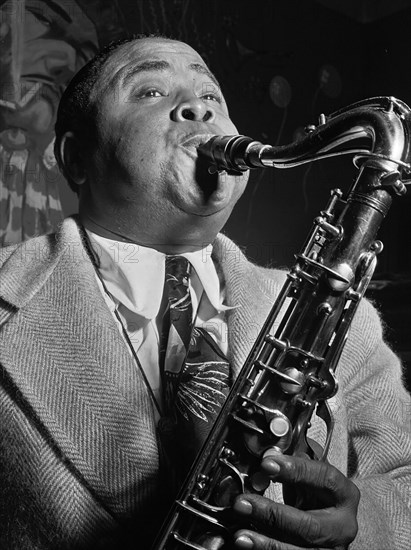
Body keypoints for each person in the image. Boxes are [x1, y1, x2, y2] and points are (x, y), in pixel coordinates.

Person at [0, 35, 410, 550]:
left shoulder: (346, 322)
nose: (197, 106)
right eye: (150, 91)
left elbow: (406, 481)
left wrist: (362, 528)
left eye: (212, 96)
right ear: (75, 158)